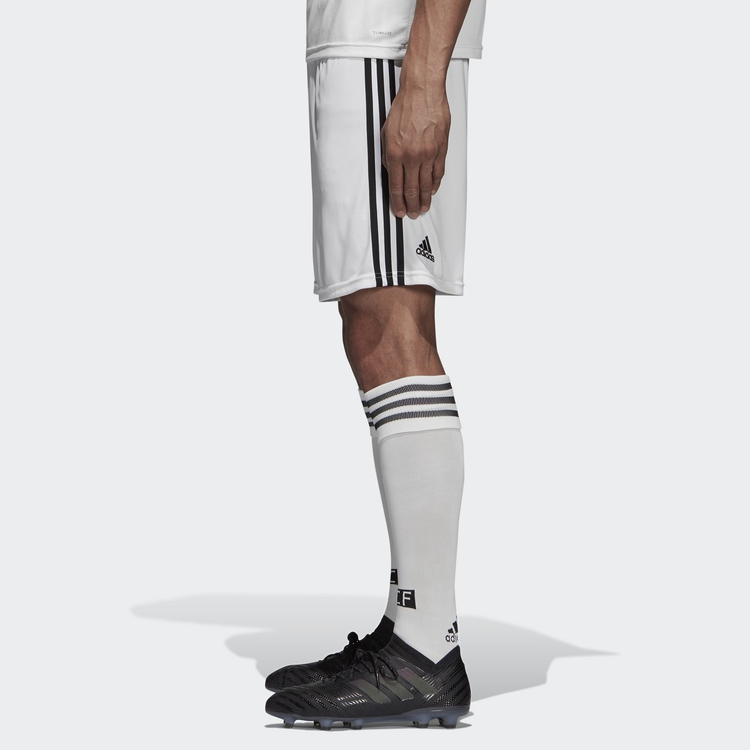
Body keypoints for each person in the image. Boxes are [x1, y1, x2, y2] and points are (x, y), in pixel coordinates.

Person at [265, 0, 486, 729]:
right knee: (371, 321)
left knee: (390, 324)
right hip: (367, 46)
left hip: (387, 49)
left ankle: (425, 647)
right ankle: (408, 625)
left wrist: (421, 79)